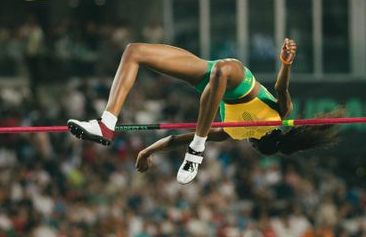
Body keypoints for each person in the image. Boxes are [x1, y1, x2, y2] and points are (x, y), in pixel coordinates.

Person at [68, 37, 336, 183]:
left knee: (139, 52)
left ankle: (196, 149)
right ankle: (107, 123)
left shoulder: (234, 133)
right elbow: (281, 88)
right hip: (221, 74)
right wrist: (286, 63)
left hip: (215, 75)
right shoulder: (278, 116)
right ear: (260, 141)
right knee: (134, 51)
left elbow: (176, 138)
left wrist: (147, 150)